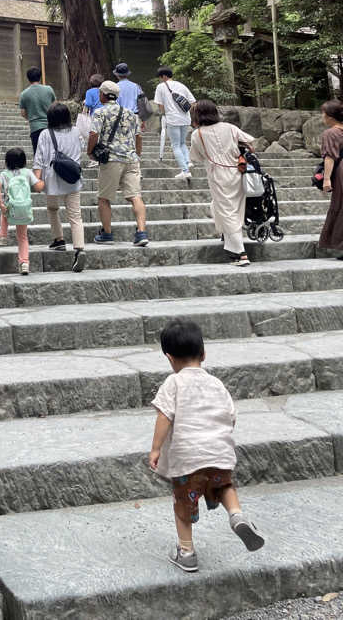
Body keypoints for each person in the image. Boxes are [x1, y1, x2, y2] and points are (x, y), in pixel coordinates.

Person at [149, 317, 265, 573]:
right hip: (220, 453)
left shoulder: (173, 383)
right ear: (203, 353)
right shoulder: (217, 384)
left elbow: (164, 416)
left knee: (183, 504)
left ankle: (187, 552)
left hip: (188, 462)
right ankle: (236, 515)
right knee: (224, 485)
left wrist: (156, 448)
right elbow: (231, 416)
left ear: (169, 358)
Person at [188, 100, 255, 266]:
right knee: (232, 208)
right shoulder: (229, 127)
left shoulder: (198, 134)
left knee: (227, 211)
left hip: (217, 174)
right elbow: (249, 140)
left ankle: (241, 253)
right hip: (238, 172)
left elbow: (195, 157)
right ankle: (228, 240)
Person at [87, 80, 149, 246]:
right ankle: (141, 232)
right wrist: (137, 154)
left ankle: (107, 234)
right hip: (131, 159)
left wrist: (89, 151)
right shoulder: (131, 114)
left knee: (104, 198)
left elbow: (93, 134)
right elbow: (138, 136)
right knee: (136, 196)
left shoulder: (100, 112)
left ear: (103, 95)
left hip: (112, 159)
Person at [33, 103, 87, 272]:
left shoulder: (45, 134)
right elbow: (83, 147)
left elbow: (39, 159)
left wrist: (36, 180)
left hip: (52, 178)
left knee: (52, 208)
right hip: (72, 177)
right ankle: (79, 249)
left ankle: (59, 239)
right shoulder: (76, 131)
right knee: (75, 215)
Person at [0, 147, 44, 275]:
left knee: (4, 212)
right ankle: (24, 263)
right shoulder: (27, 173)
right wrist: (43, 181)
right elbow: (38, 187)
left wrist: (0, 203)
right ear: (23, 161)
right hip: (24, 208)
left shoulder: (4, 174)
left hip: (10, 208)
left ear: (7, 162)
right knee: (22, 237)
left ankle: (3, 235)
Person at [154, 67, 196, 182]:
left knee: (175, 145)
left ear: (163, 76)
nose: (160, 80)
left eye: (160, 78)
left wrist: (164, 113)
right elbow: (193, 102)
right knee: (182, 143)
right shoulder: (182, 85)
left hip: (172, 119)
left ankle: (185, 171)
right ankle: (188, 162)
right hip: (185, 119)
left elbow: (160, 105)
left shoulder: (161, 87)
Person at [318, 98, 343, 259]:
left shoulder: (331, 133)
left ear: (330, 116)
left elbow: (329, 157)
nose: (322, 116)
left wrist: (326, 179)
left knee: (340, 205)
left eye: (323, 113)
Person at [19, 67, 56, 153]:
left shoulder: (24, 94)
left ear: (28, 78)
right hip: (50, 127)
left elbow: (23, 113)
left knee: (38, 155)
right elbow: (55, 107)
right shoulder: (49, 89)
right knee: (52, 153)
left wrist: (32, 118)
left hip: (35, 128)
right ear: (40, 77)